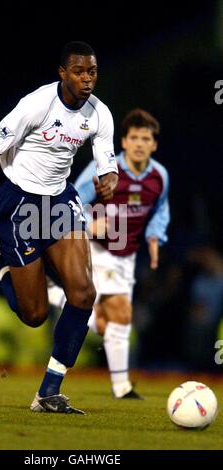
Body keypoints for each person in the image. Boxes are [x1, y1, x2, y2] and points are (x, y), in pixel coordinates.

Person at [0, 41, 118, 414]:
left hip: (59, 201)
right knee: (35, 316)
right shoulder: (36, 104)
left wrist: (110, 180)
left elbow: (107, 164)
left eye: (92, 71)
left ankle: (48, 393)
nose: (87, 79)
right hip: (19, 202)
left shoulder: (99, 113)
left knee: (82, 293)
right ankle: (2, 266)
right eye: (79, 71)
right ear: (63, 73)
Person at [73, 108, 170, 398]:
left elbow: (160, 210)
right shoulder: (103, 169)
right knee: (122, 314)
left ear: (154, 144)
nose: (140, 143)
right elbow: (73, 199)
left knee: (109, 324)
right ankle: (123, 386)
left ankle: (120, 385)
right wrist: (91, 223)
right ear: (124, 142)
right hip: (97, 249)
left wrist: (155, 236)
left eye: (146, 138)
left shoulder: (159, 176)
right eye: (134, 137)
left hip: (127, 254)